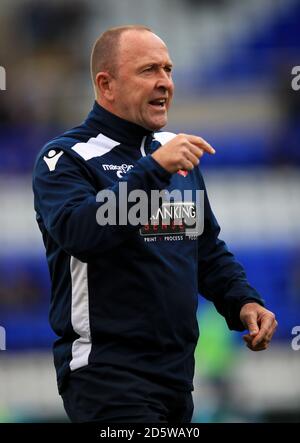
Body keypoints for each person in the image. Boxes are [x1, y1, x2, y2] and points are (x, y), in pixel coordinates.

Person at [32, 25, 277, 423]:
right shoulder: (66, 157)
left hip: (178, 379)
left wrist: (243, 301)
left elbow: (207, 250)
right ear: (106, 84)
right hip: (106, 376)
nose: (165, 82)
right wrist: (152, 170)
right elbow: (81, 233)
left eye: (168, 70)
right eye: (149, 70)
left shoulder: (171, 153)